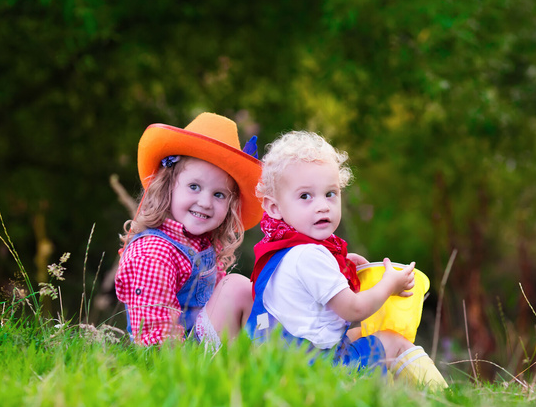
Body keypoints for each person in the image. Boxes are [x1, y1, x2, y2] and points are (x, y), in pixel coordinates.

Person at [247, 130, 447, 390]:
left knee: (361, 335)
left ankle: (392, 394)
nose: (322, 205)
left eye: (330, 194)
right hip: (313, 368)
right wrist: (389, 285)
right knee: (393, 340)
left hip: (279, 359)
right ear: (274, 207)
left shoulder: (281, 249)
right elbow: (353, 310)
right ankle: (445, 398)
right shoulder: (310, 256)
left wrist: (342, 267)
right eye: (305, 196)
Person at [115, 112, 262, 348]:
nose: (205, 202)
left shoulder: (201, 244)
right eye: (194, 186)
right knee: (235, 288)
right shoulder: (153, 253)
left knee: (244, 288)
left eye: (218, 194)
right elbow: (156, 339)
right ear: (168, 187)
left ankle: (273, 360)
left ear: (230, 205)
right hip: (174, 359)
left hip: (201, 348)